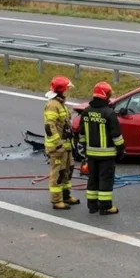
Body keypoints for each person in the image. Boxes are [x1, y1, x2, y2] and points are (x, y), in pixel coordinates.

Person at [78, 81, 125, 215]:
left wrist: (85, 149)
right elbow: (116, 136)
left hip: (91, 154)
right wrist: (121, 150)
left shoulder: (86, 112)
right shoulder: (109, 113)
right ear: (106, 95)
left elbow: (81, 135)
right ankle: (105, 207)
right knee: (105, 180)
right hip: (107, 155)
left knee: (93, 179)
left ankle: (92, 206)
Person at [44, 75, 79, 210]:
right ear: (61, 90)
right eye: (66, 89)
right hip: (57, 147)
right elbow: (50, 127)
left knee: (67, 171)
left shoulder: (60, 104)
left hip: (65, 145)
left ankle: (66, 196)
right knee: (57, 174)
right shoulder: (52, 105)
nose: (67, 92)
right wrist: (57, 144)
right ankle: (56, 200)